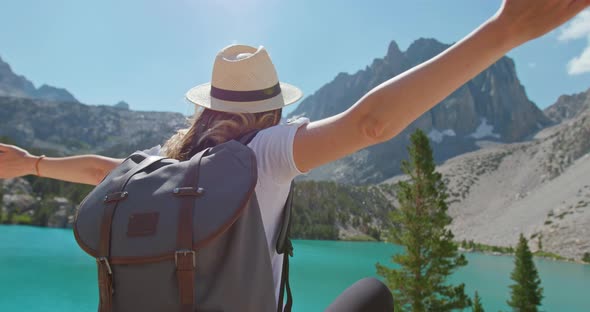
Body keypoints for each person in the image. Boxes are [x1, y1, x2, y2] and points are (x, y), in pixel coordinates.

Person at [1, 1, 588, 311]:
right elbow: (371, 122)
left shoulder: (162, 162)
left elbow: (98, 172)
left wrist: (29, 163)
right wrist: (506, 30)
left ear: (208, 106)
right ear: (273, 109)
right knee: (374, 295)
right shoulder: (268, 150)